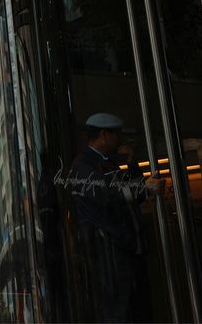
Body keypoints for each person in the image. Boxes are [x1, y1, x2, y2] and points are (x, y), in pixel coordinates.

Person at [70, 112, 164, 323]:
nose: (119, 139)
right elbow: (107, 195)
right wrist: (142, 188)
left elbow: (131, 197)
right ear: (103, 135)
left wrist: (132, 164)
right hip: (110, 252)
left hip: (127, 248)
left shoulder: (108, 162)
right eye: (116, 134)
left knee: (136, 308)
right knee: (120, 311)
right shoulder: (84, 165)